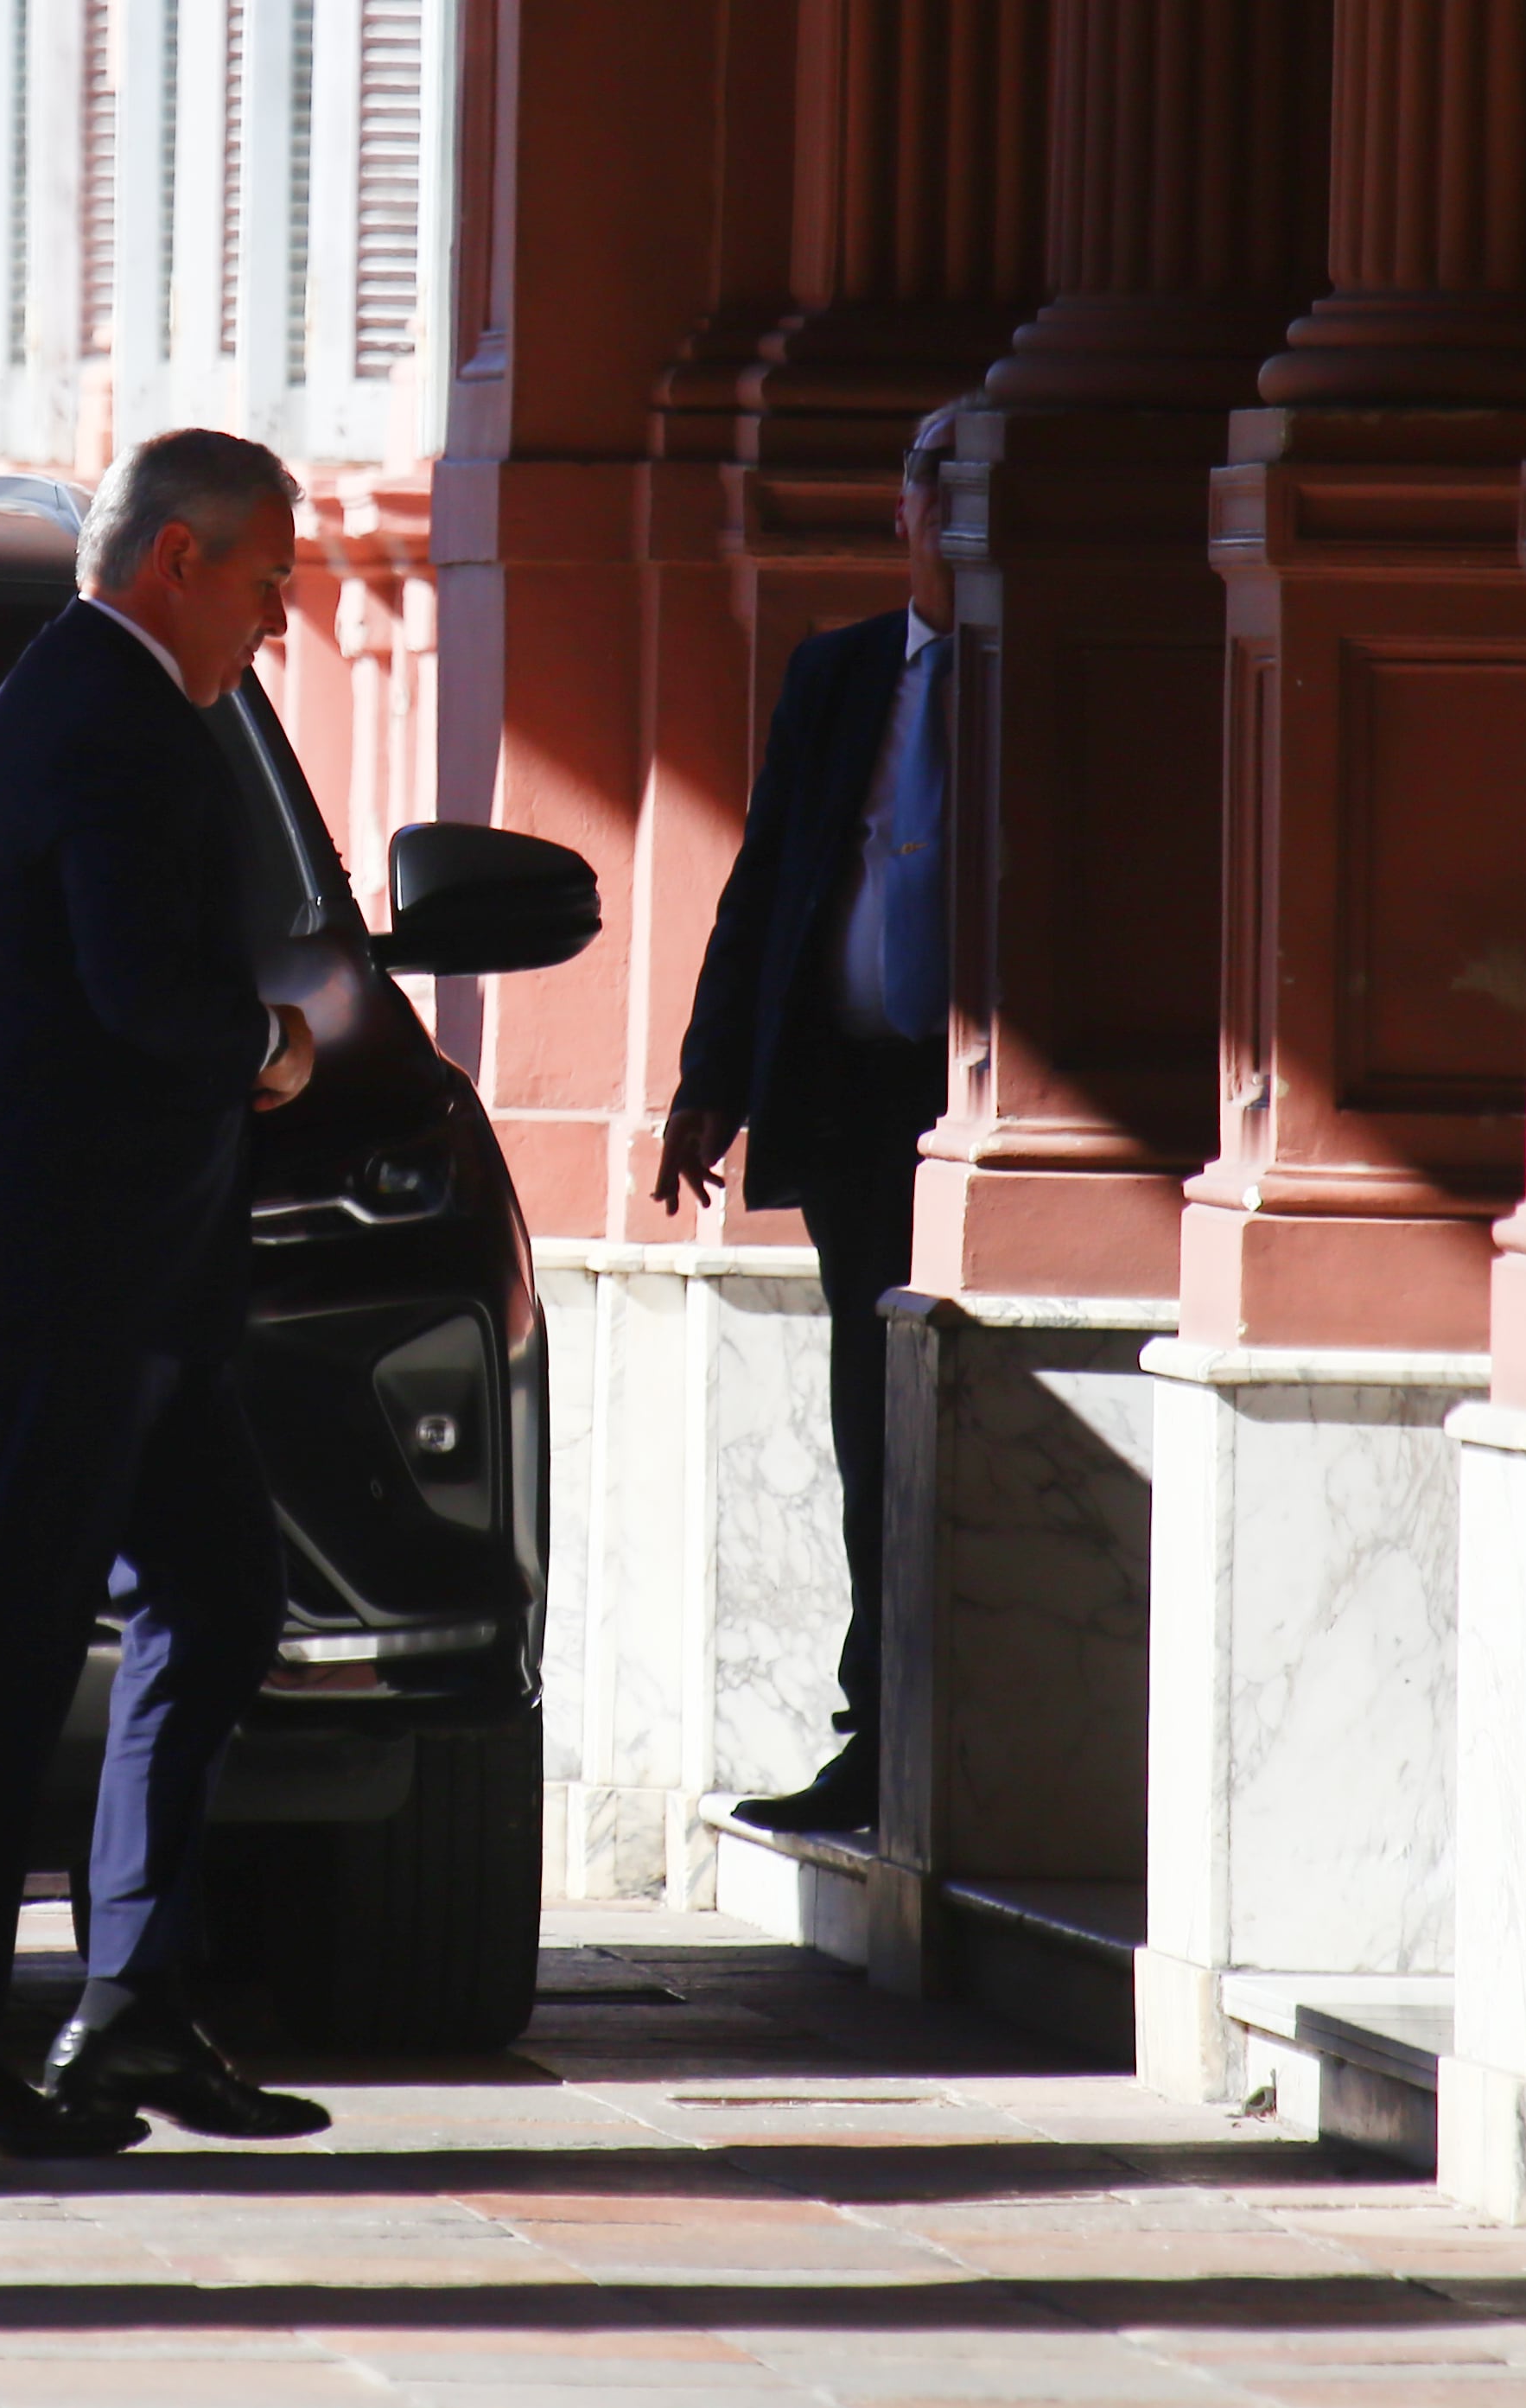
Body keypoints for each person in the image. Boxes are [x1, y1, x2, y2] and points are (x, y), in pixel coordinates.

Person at [0, 428, 333, 2158]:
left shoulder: (67, 696)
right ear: (177, 560)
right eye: (268, 576)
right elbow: (147, 995)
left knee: (218, 1591)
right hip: (59, 1270)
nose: (280, 616)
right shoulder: (111, 717)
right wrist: (270, 1042)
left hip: (117, 1268)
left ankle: (132, 2008)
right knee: (12, 1643)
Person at [654, 405, 960, 1836]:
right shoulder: (840, 675)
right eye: (938, 492)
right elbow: (765, 882)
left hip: (987, 1105)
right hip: (851, 1098)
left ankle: (957, 1735)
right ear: (903, 515)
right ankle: (875, 1734)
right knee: (869, 1417)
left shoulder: (1046, 674)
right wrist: (709, 1079)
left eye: (982, 495)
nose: (958, 521)